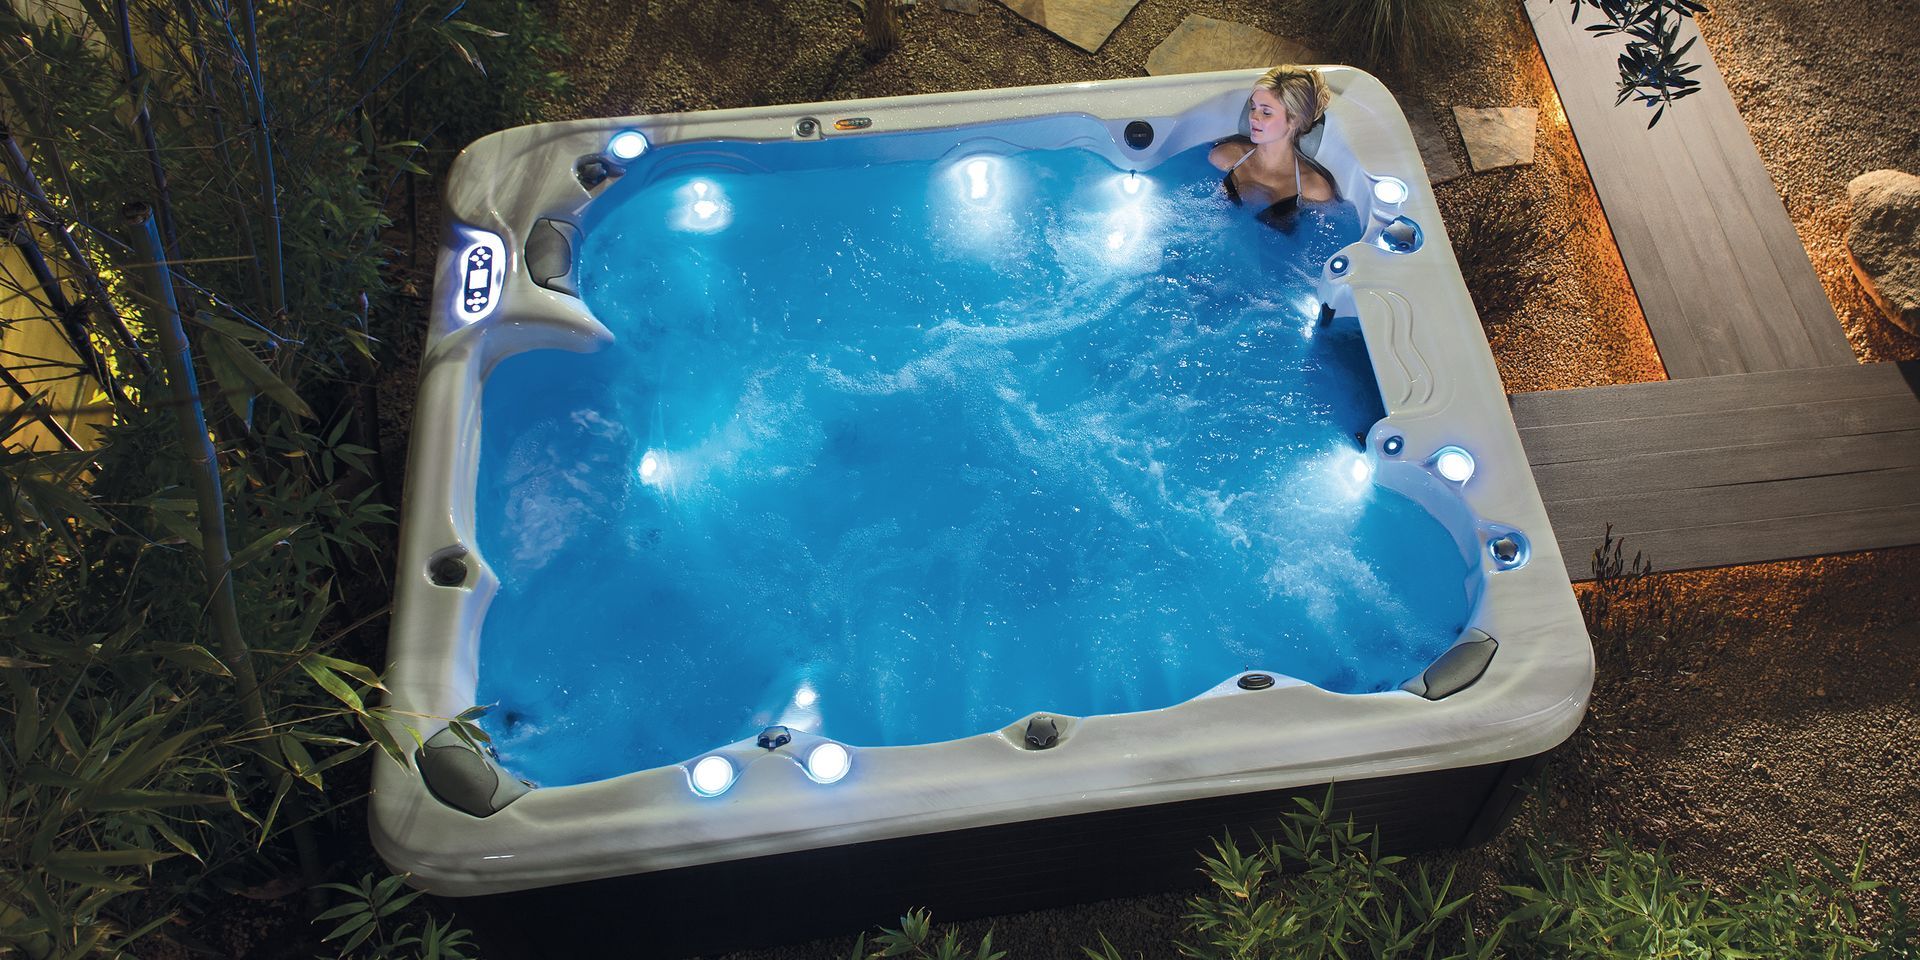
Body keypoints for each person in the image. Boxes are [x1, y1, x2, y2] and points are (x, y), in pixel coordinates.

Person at [1209, 66, 1338, 228]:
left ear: (1294, 121)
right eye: (1253, 107)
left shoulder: (1314, 190)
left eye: (1266, 112)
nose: (1253, 117)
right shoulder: (1224, 157)